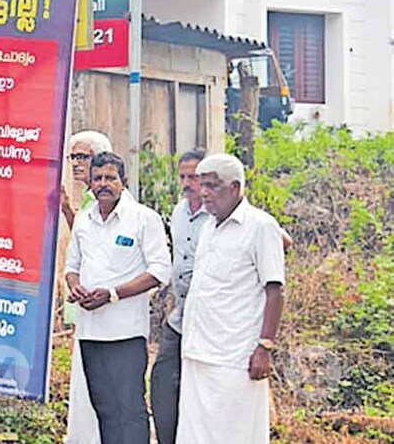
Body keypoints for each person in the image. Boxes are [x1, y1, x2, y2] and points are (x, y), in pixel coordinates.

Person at [153, 151, 294, 444]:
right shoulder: (208, 227)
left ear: (235, 188)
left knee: (234, 433)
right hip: (196, 350)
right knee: (195, 433)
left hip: (234, 356)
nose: (203, 192)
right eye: (201, 184)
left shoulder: (261, 226)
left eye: (211, 185)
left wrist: (264, 347)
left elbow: (275, 290)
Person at [65, 152, 170, 444]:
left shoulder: (143, 218)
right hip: (89, 332)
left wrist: (112, 295)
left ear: (123, 181)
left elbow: (161, 271)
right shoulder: (84, 220)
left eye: (110, 178)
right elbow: (71, 267)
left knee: (131, 409)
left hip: (125, 332)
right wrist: (75, 287)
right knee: (105, 408)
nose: (103, 184)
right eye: (97, 178)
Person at [150, 149, 210, 444]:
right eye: (183, 176)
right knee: (162, 382)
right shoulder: (178, 212)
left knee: (199, 388)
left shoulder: (219, 215)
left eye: (194, 177)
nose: (187, 183)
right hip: (179, 318)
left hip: (209, 321)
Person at [61, 130, 112, 444]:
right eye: (73, 157)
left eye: (83, 156)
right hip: (83, 302)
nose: (77, 163)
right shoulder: (87, 200)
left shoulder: (106, 197)